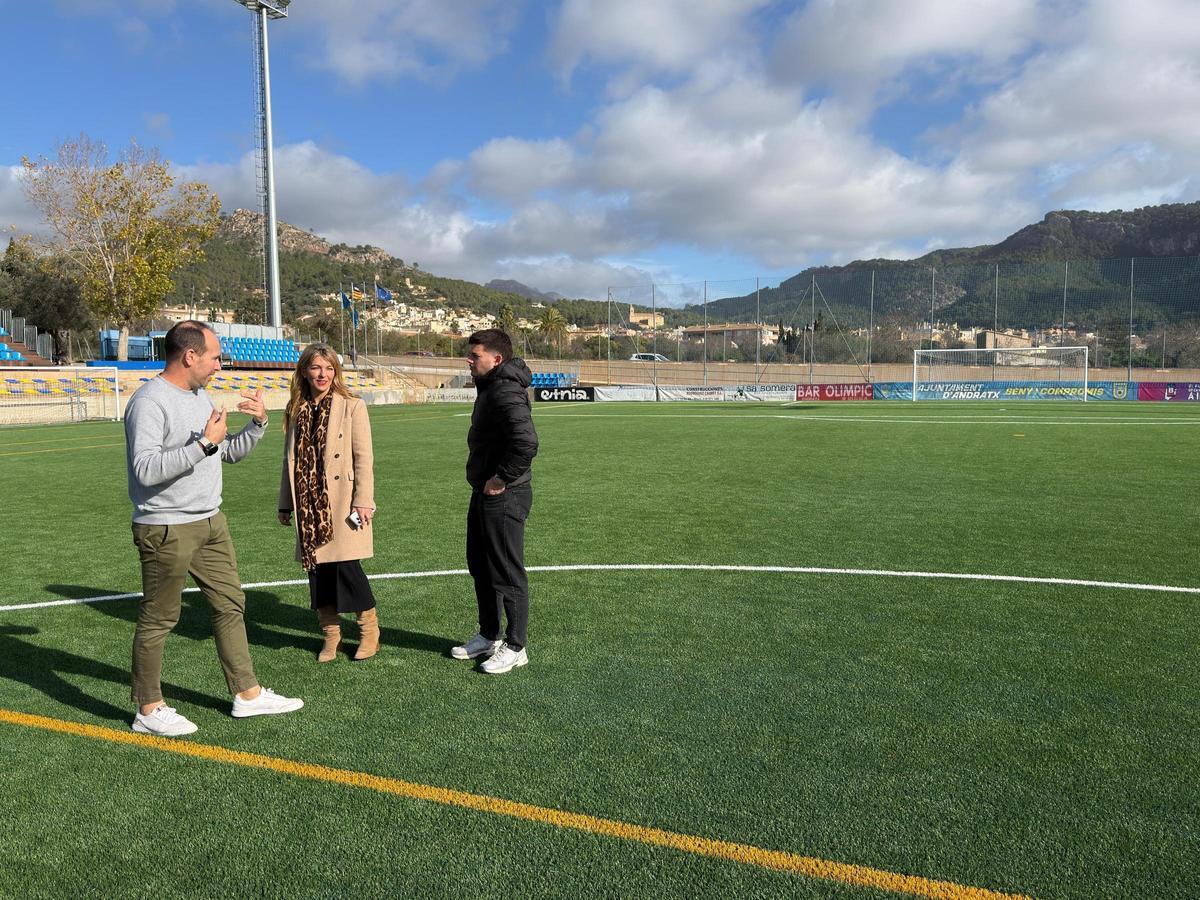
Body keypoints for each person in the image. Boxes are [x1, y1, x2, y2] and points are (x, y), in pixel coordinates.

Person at [124, 320, 303, 737]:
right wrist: (203, 444)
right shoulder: (149, 401)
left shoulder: (201, 396)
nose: (220, 365)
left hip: (210, 522)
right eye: (215, 357)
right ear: (190, 356)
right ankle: (148, 708)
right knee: (160, 618)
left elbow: (227, 454)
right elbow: (145, 470)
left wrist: (256, 426)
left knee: (230, 605)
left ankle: (248, 694)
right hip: (166, 527)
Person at [278, 343, 379, 662]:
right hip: (308, 504)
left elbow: (364, 457)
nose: (323, 374)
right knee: (318, 572)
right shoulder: (296, 408)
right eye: (316, 368)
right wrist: (285, 503)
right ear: (304, 371)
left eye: (329, 368)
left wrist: (363, 500)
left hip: (342, 501)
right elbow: (289, 461)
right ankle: (331, 636)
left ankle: (369, 632)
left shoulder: (352, 405)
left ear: (336, 371)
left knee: (348, 568)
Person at [451, 328, 538, 675]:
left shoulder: (504, 391)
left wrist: (501, 478)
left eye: (475, 356)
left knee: (506, 570)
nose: (469, 361)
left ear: (496, 359)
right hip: (484, 492)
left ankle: (516, 646)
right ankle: (489, 634)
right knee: (480, 564)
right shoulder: (490, 385)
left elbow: (526, 442)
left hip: (505, 494)